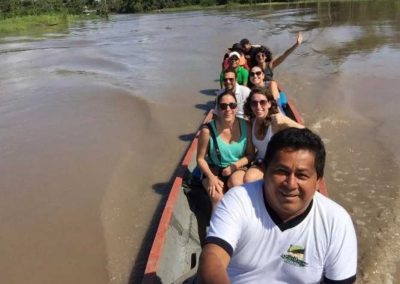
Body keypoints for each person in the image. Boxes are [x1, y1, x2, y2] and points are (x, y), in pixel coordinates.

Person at [198, 128, 358, 284]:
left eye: (302, 175)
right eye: (281, 171)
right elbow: (213, 256)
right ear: (265, 171)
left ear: (318, 181)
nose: (290, 184)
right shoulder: (240, 200)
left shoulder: (336, 221)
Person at [197, 90, 254, 208]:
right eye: (223, 106)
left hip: (237, 167)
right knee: (218, 200)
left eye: (232, 105)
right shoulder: (207, 131)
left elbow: (250, 155)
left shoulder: (246, 126)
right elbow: (200, 159)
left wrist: (234, 166)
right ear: (217, 109)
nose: (228, 109)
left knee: (236, 187)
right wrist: (211, 177)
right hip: (214, 170)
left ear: (236, 108)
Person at [243, 87, 304, 183]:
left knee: (251, 179)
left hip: (278, 164)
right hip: (261, 162)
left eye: (262, 102)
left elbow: (308, 135)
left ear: (269, 104)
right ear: (250, 106)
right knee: (248, 179)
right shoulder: (252, 121)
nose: (258, 107)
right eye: (254, 103)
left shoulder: (277, 122)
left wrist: (288, 122)